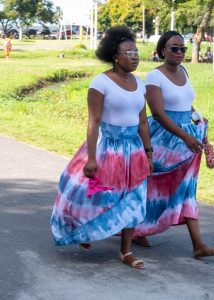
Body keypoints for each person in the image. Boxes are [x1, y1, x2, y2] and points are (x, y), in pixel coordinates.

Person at [50, 25, 153, 270]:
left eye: (136, 51)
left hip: (134, 150)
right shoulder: (101, 82)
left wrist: (148, 153)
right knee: (99, 194)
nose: (134, 56)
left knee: (134, 199)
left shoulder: (140, 84)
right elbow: (94, 121)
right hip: (108, 148)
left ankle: (125, 251)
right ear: (114, 56)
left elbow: (142, 122)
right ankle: (84, 230)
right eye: (128, 52)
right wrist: (92, 158)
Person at [132, 31, 214, 259]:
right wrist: (185, 136)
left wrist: (199, 123)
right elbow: (158, 113)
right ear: (162, 51)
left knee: (187, 187)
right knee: (146, 185)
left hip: (187, 136)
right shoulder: (154, 77)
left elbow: (188, 105)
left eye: (183, 48)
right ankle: (134, 229)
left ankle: (198, 244)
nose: (180, 52)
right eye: (174, 48)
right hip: (164, 137)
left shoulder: (184, 71)